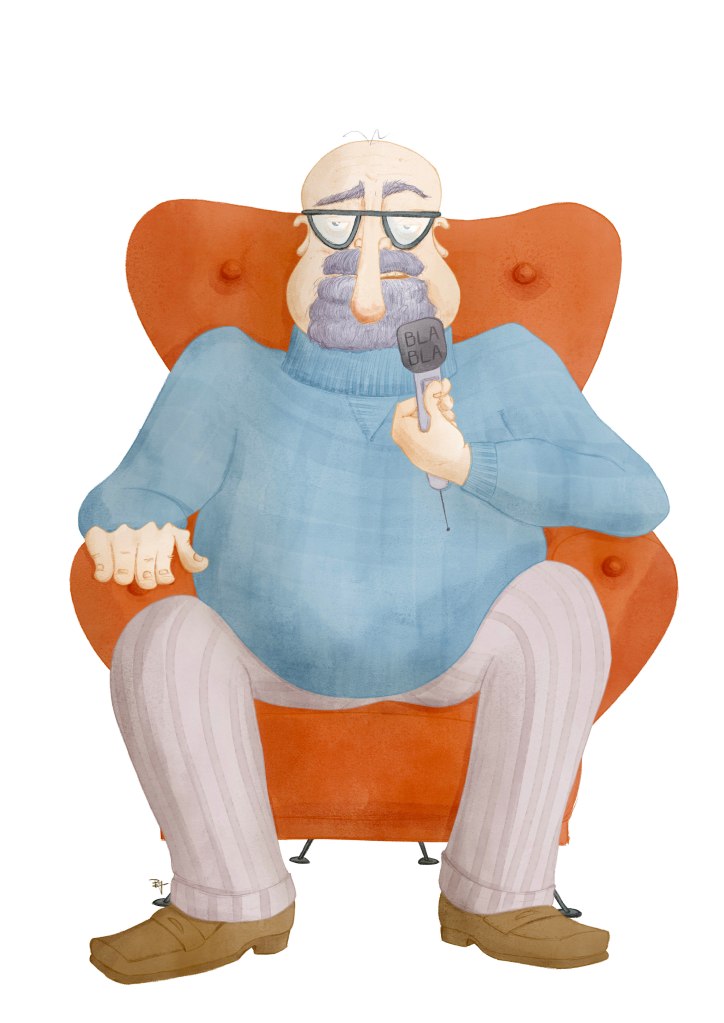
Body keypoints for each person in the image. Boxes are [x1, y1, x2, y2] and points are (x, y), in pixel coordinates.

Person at [79, 140, 669, 983]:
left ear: (441, 239)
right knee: (162, 637)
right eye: (338, 222)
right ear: (300, 240)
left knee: (561, 602)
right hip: (264, 650)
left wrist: (472, 465)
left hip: (463, 646)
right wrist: (130, 526)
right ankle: (228, 898)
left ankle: (500, 892)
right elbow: (128, 493)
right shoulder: (227, 369)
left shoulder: (506, 364)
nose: (370, 251)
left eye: (402, 220)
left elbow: (638, 494)